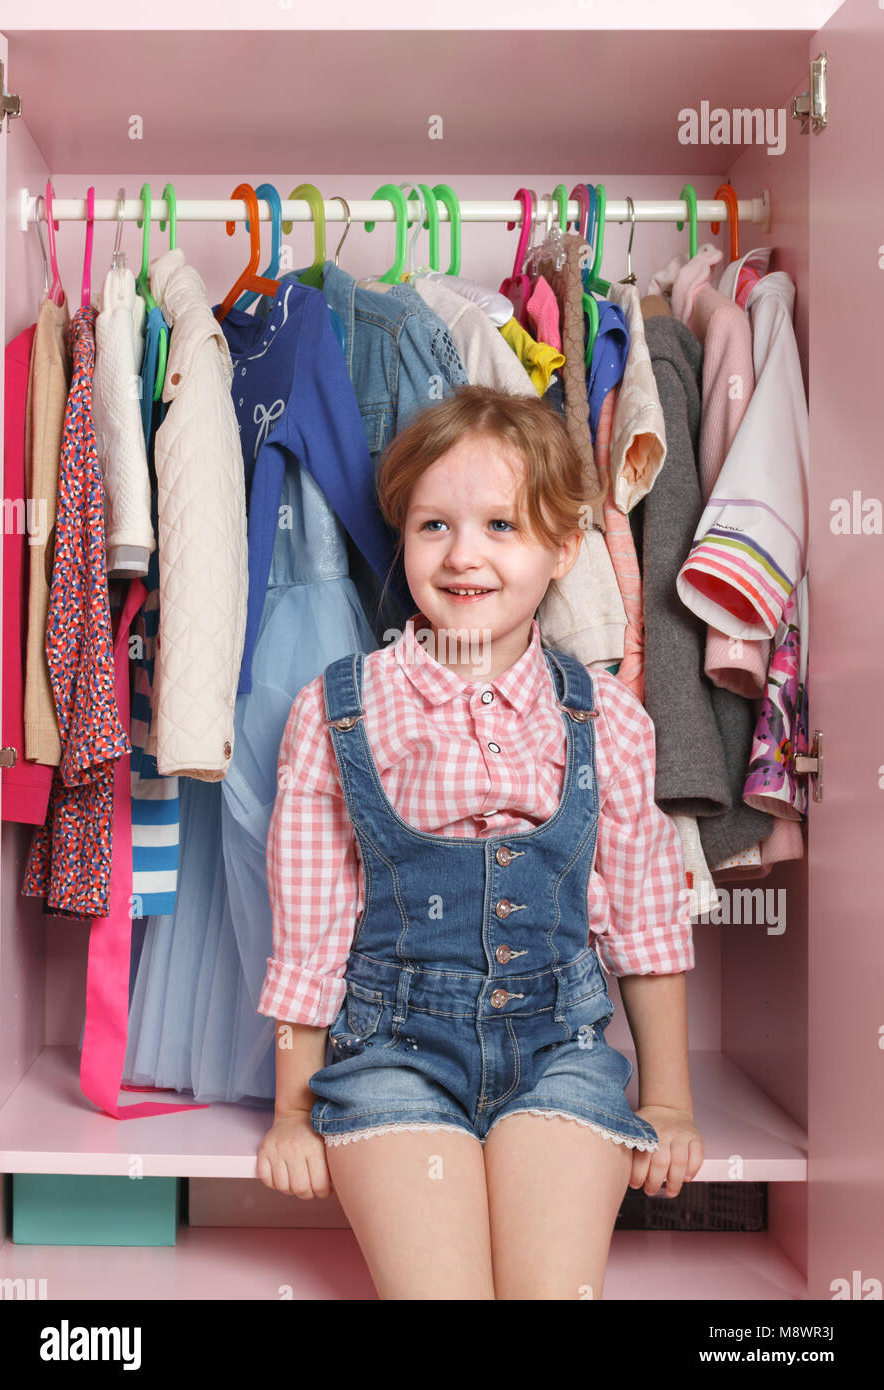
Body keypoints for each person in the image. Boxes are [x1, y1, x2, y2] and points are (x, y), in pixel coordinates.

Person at [256, 386, 704, 1299]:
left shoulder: (608, 720)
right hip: (391, 1061)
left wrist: (669, 1100)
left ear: (563, 549)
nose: (464, 554)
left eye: (502, 525)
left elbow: (647, 929)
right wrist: (292, 1113)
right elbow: (309, 937)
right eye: (434, 526)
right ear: (404, 537)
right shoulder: (340, 710)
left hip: (559, 1057)